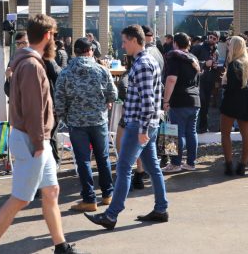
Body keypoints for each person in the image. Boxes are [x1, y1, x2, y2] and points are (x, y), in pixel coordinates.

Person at [0, 15, 83, 254]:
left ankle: (61, 246)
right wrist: (38, 142)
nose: (54, 40)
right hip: (33, 139)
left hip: (33, 138)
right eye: (53, 35)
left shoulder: (25, 61)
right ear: (47, 36)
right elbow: (34, 109)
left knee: (51, 191)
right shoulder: (33, 65)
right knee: (22, 198)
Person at [86, 24, 168, 231]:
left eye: (124, 41)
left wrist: (142, 131)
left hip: (139, 124)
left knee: (124, 168)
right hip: (145, 124)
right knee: (152, 168)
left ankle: (112, 215)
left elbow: (148, 101)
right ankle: (160, 208)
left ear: (134, 40)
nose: (122, 45)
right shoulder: (145, 61)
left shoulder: (142, 64)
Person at [54, 37, 117, 212]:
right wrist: (106, 103)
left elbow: (58, 100)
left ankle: (89, 199)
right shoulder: (102, 70)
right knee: (103, 158)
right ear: (90, 51)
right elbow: (113, 94)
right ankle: (107, 195)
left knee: (83, 161)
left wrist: (65, 117)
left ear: (75, 52)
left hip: (76, 122)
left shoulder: (65, 73)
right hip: (99, 120)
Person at [161, 32, 201, 174]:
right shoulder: (193, 58)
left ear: (175, 44)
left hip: (179, 100)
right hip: (194, 100)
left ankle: (175, 163)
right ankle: (191, 162)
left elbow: (171, 80)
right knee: (191, 132)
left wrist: (166, 100)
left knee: (174, 132)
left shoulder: (174, 58)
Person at [218, 35, 248, 176]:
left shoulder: (233, 65)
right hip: (246, 104)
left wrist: (224, 83)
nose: (228, 47)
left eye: (229, 45)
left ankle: (229, 165)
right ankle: (242, 165)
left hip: (230, 103)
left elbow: (231, 87)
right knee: (246, 136)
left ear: (233, 47)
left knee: (225, 134)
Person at [192, 31, 220, 133]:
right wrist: (204, 64)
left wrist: (215, 67)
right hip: (198, 81)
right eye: (210, 37)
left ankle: (202, 128)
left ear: (217, 40)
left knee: (206, 105)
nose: (211, 39)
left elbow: (214, 66)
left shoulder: (216, 52)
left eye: (214, 38)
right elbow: (191, 61)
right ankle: (196, 128)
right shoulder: (198, 47)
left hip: (209, 81)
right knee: (201, 103)